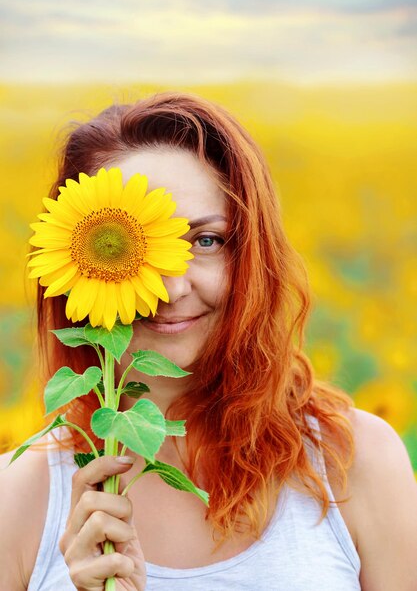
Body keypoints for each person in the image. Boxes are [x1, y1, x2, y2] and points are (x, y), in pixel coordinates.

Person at [1, 91, 416, 591]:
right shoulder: (18, 500)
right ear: (76, 262)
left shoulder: (354, 464)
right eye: (136, 246)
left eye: (205, 241)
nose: (171, 287)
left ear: (252, 255)